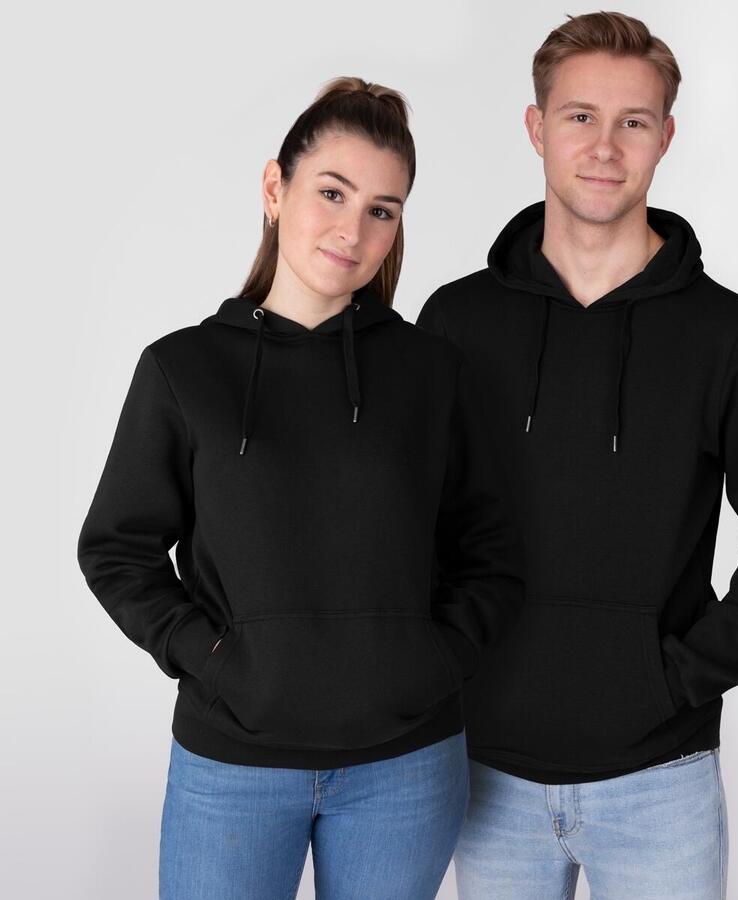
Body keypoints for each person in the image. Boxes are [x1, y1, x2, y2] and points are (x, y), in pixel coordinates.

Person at [417, 12, 738, 899]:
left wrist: (675, 678)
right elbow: (415, 524)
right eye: (580, 117)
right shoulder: (456, 322)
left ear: (665, 137)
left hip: (659, 782)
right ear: (537, 127)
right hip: (485, 772)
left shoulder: (736, 339)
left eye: (632, 121)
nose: (604, 147)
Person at [77, 76, 524, 900]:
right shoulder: (184, 369)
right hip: (232, 766)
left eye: (383, 209)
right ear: (274, 187)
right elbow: (116, 549)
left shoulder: (432, 371)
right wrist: (212, 661)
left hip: (406, 767)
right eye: (332, 192)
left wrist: (437, 660)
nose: (353, 230)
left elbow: (491, 548)